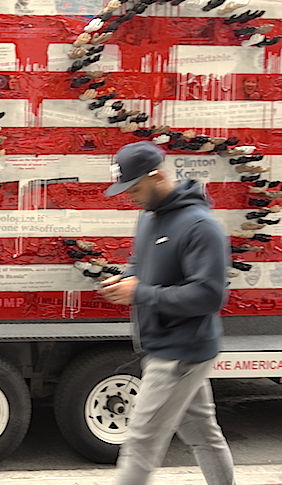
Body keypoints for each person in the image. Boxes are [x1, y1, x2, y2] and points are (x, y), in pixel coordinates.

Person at [100, 141, 234, 485]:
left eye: (134, 187)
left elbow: (209, 296)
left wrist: (140, 293)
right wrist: (127, 278)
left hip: (180, 354)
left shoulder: (200, 226)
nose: (129, 195)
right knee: (204, 435)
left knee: (139, 444)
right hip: (165, 345)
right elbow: (141, 264)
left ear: (157, 176)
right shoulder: (149, 217)